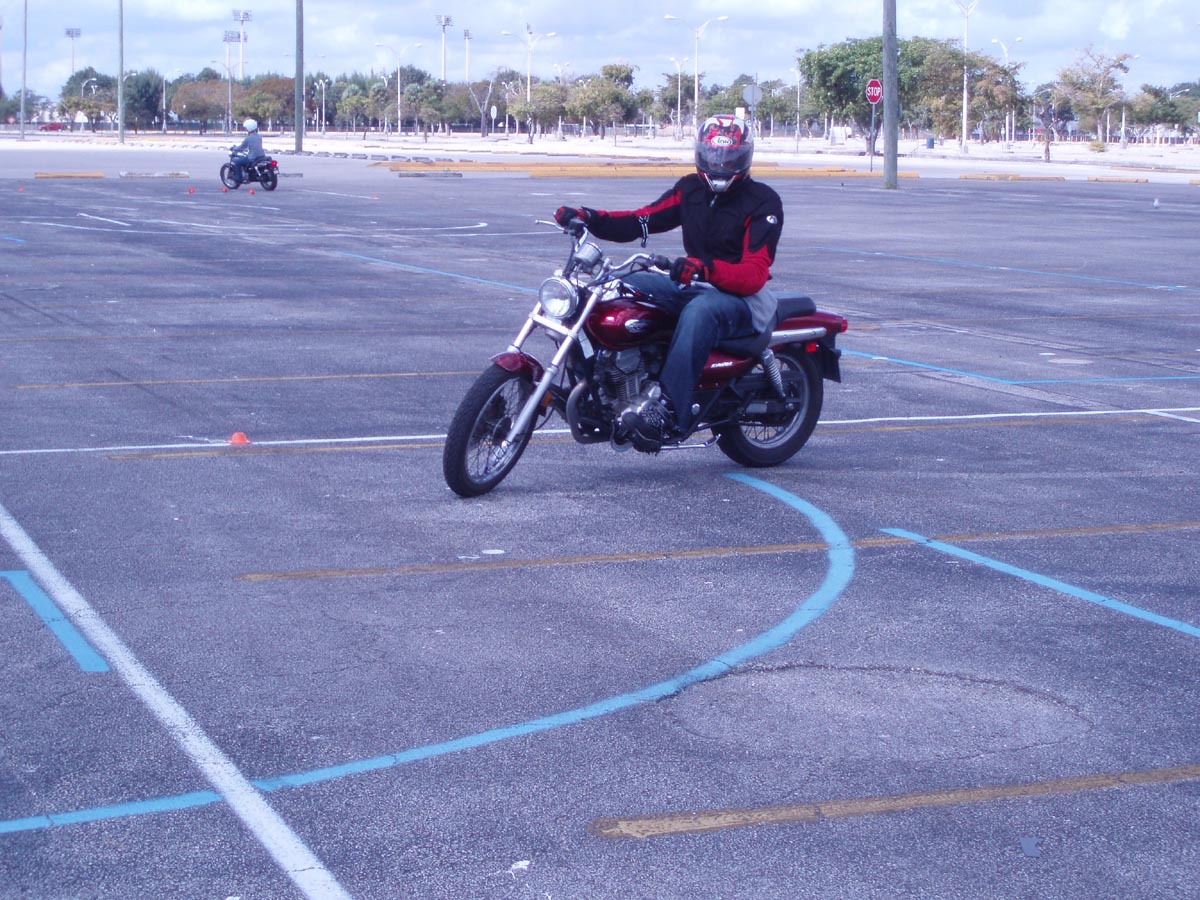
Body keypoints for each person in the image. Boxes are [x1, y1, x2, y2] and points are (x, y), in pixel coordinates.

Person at [554, 113, 783, 447]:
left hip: (743, 300)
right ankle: (605, 382)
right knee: (621, 285)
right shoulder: (690, 189)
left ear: (744, 156)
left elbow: (754, 274)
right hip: (695, 283)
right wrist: (588, 217)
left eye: (728, 157)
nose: (719, 164)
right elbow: (640, 220)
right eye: (713, 155)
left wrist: (703, 269)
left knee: (700, 312)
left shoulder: (763, 202)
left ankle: (668, 410)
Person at [229, 118, 266, 184]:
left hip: (252, 158)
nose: (245, 129)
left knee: (237, 162)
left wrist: (234, 148)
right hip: (261, 156)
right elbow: (254, 145)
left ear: (248, 128)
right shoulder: (259, 136)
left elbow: (241, 147)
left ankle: (238, 178)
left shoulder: (248, 138)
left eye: (245, 128)